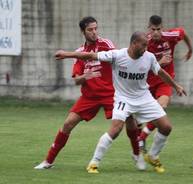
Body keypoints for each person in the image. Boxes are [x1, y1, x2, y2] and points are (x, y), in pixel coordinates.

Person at [54, 31, 187, 173]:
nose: (146, 49)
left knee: (166, 127)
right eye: (143, 45)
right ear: (134, 43)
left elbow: (160, 72)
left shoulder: (149, 57)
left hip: (144, 98)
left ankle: (153, 156)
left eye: (147, 46)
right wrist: (66, 54)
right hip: (123, 99)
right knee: (115, 130)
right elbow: (90, 55)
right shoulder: (117, 55)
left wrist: (176, 86)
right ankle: (94, 163)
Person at [34, 16, 142, 170]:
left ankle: (137, 155)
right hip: (89, 97)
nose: (94, 32)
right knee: (67, 124)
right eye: (90, 30)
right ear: (83, 32)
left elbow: (119, 60)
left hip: (111, 94)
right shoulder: (79, 52)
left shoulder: (106, 44)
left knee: (130, 120)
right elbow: (76, 80)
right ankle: (48, 161)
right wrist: (84, 77)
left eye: (96, 28)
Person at [138, 15, 193, 146]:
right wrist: (159, 63)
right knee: (141, 117)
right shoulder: (144, 42)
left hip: (164, 81)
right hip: (147, 83)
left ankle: (142, 137)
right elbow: (140, 68)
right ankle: (140, 138)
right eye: (153, 29)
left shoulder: (171, 36)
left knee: (160, 108)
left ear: (162, 27)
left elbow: (183, 32)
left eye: (158, 29)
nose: (156, 32)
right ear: (148, 28)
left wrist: (190, 49)